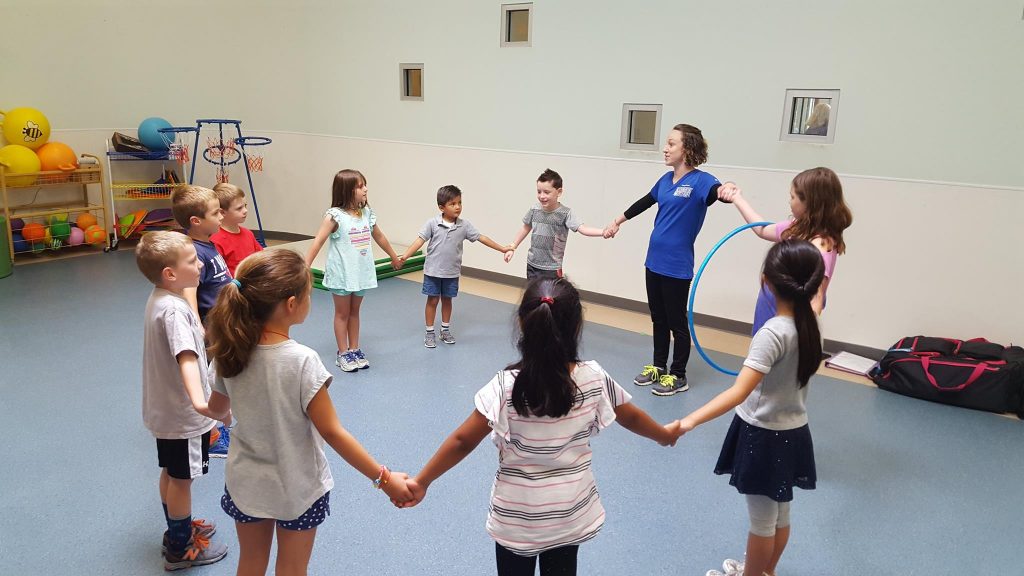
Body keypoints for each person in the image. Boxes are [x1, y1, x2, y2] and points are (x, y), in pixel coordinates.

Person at [401, 278, 683, 576]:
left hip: (517, 520)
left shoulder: (505, 387)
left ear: (522, 323)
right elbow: (631, 417)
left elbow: (462, 441)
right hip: (569, 514)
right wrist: (663, 434)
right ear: (576, 327)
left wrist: (422, 481)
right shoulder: (594, 377)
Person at [204, 249, 413, 576]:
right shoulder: (302, 361)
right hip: (298, 486)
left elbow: (217, 410)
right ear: (291, 304)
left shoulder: (230, 351)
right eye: (308, 295)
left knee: (251, 563)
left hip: (246, 484)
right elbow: (332, 432)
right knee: (292, 568)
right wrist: (384, 479)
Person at [674, 240, 825, 576]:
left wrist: (688, 421)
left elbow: (739, 392)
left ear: (766, 282)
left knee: (762, 521)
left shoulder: (772, 334)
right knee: (780, 514)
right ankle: (766, 571)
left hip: (764, 436)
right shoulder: (812, 326)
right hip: (794, 431)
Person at [602, 124, 726, 396]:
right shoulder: (665, 181)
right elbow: (644, 203)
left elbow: (718, 192)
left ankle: (678, 375)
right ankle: (659, 366)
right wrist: (616, 221)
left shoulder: (701, 181)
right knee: (658, 318)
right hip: (654, 261)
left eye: (671, 144)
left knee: (676, 322)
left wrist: (727, 190)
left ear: (687, 148)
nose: (665, 149)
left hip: (677, 266)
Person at [135, 231, 231, 570]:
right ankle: (181, 548)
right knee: (182, 480)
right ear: (170, 274)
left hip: (166, 411)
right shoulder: (174, 311)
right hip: (182, 415)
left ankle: (177, 529)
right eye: (192, 261)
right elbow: (187, 357)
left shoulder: (162, 298)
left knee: (172, 472)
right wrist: (201, 403)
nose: (199, 264)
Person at [717, 166, 852, 335]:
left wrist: (804, 336)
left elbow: (816, 298)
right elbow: (762, 230)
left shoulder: (820, 246)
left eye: (793, 197)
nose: (790, 201)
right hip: (771, 306)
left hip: (788, 320)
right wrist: (737, 199)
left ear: (809, 203)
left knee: (773, 349)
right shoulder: (798, 228)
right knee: (762, 346)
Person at [305, 169, 402, 372]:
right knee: (342, 313)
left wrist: (393, 256)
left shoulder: (366, 213)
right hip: (342, 274)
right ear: (347, 190)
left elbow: (380, 236)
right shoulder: (335, 216)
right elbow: (318, 241)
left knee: (355, 312)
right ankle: (343, 353)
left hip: (360, 273)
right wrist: (305, 267)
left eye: (365, 185)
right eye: (360, 186)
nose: (365, 189)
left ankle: (354, 348)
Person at [398, 185, 513, 348]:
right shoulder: (432, 223)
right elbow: (419, 241)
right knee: (432, 300)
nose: (457, 207)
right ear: (441, 207)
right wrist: (405, 256)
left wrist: (502, 248)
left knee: (447, 300)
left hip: (451, 273)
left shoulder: (464, 226)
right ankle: (429, 332)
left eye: (459, 203)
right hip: (433, 272)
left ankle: (445, 330)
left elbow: (481, 238)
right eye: (452, 204)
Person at [171, 184, 232, 457]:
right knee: (210, 380)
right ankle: (211, 438)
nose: (221, 217)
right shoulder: (194, 251)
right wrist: (197, 324)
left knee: (219, 376)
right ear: (196, 221)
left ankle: (220, 423)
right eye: (216, 213)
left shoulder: (208, 244)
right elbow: (190, 290)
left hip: (222, 322)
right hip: (211, 327)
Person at [504, 168, 606, 279]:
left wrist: (603, 232)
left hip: (552, 268)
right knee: (532, 290)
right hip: (532, 265)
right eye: (539, 192)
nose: (542, 196)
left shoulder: (565, 213)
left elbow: (583, 229)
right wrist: (512, 247)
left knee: (551, 291)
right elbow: (525, 228)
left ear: (559, 192)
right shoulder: (534, 209)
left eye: (546, 192)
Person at [210, 182, 263, 277]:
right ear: (222, 212)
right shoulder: (216, 240)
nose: (245, 210)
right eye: (239, 208)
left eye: (245, 206)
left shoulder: (248, 233)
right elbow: (219, 274)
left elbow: (261, 258)